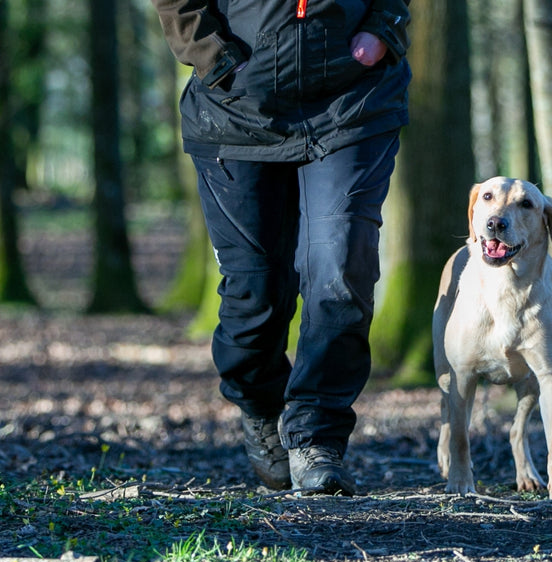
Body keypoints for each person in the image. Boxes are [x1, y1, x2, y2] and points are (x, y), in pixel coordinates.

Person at [151, 0, 411, 495]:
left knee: (339, 267)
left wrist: (385, 28)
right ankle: (261, 403)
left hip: (352, 102)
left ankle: (316, 436)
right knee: (256, 292)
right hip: (235, 109)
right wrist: (215, 57)